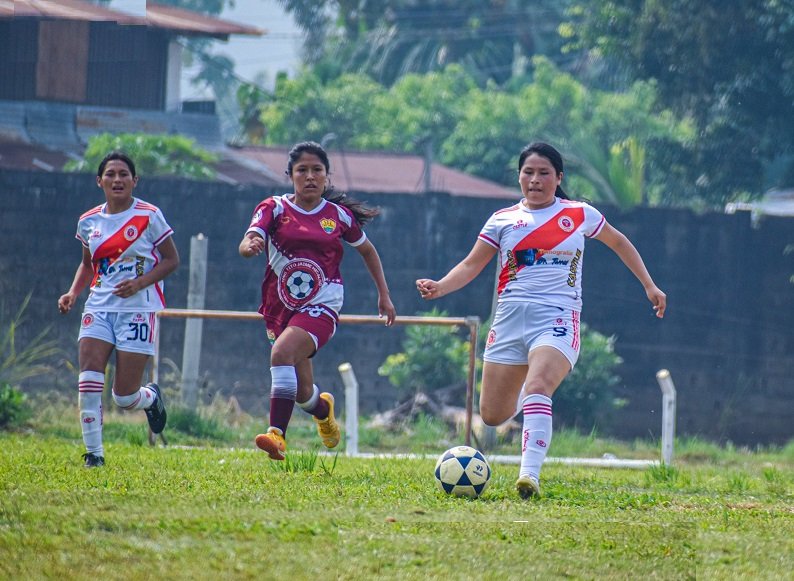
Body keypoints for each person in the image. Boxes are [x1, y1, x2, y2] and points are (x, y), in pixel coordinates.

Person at [416, 142, 666, 498]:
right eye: (528, 172)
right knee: (492, 415)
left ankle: (529, 476)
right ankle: (535, 404)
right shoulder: (502, 220)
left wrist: (649, 284)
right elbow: (472, 264)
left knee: (538, 387)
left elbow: (620, 242)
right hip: (508, 320)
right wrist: (440, 287)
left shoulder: (579, 214)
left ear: (558, 178)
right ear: (519, 177)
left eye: (544, 173)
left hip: (557, 317)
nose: (535, 180)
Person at [239, 141, 396, 460]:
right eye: (302, 170)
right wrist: (249, 245)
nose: (310, 176)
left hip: (322, 305)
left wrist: (384, 294)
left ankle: (277, 436)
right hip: (280, 307)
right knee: (301, 392)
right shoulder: (274, 208)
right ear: (290, 175)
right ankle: (323, 410)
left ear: (327, 175)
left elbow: (367, 250)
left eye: (317, 170)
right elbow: (250, 237)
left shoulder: (338, 216)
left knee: (281, 353)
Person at [58, 151, 179, 468]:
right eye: (110, 174)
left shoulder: (149, 216)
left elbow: (171, 260)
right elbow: (88, 265)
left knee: (123, 397)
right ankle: (94, 454)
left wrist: (140, 283)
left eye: (124, 174)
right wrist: (72, 293)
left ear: (134, 180)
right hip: (97, 307)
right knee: (88, 380)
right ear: (99, 181)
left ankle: (150, 398)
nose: (117, 179)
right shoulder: (88, 222)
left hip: (138, 310)